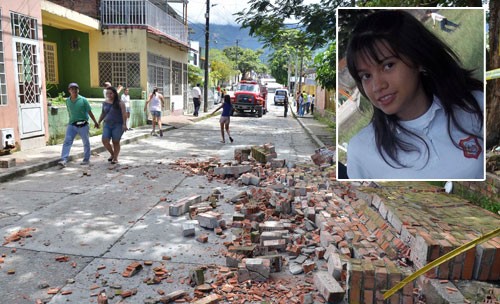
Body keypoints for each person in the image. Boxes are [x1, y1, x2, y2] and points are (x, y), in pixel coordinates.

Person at [344, 10, 484, 179]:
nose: (377, 86)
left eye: (388, 66)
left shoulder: (475, 104)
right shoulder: (361, 150)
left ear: (417, 60)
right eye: (366, 76)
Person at [58, 83, 99, 167]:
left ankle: (86, 159)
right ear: (69, 91)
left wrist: (95, 122)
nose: (74, 90)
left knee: (86, 142)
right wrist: (70, 121)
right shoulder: (67, 101)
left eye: (75, 89)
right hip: (72, 125)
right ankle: (63, 160)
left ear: (78, 90)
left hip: (83, 125)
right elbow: (69, 112)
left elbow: (89, 112)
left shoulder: (83, 100)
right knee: (67, 141)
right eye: (72, 89)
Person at [97, 86, 127, 164]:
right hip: (107, 124)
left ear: (115, 94)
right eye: (107, 93)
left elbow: (124, 114)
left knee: (115, 142)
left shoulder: (120, 103)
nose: (109, 95)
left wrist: (124, 124)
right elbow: (103, 113)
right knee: (105, 140)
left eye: (111, 93)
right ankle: (112, 154)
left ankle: (115, 158)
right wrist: (98, 122)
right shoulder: (105, 103)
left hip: (118, 125)